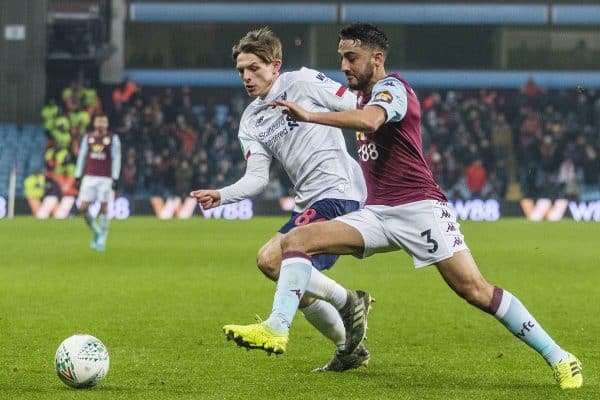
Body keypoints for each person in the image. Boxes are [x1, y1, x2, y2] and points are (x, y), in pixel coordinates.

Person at [253, 23, 579, 389]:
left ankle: (561, 357)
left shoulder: (393, 89)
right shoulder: (359, 96)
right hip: (377, 214)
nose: (343, 65)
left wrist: (310, 114)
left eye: (351, 57)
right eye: (341, 57)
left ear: (377, 59)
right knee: (297, 240)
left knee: (474, 290)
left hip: (420, 209)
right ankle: (277, 327)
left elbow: (371, 121)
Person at [190, 27, 372, 371]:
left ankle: (342, 304)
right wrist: (222, 194)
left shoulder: (302, 82)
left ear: (276, 65)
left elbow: (354, 105)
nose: (246, 76)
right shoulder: (251, 120)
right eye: (241, 71)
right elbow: (257, 179)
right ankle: (350, 347)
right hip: (309, 204)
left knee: (273, 258)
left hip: (340, 192)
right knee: (278, 269)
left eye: (254, 68)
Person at [75, 114, 122, 251]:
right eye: (99, 121)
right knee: (83, 208)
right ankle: (97, 231)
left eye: (104, 121)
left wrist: (115, 177)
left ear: (107, 124)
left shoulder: (113, 139)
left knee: (104, 207)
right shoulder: (88, 138)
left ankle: (102, 239)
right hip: (90, 177)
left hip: (105, 178)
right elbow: (82, 156)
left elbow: (116, 158)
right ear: (94, 123)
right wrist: (78, 175)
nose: (101, 123)